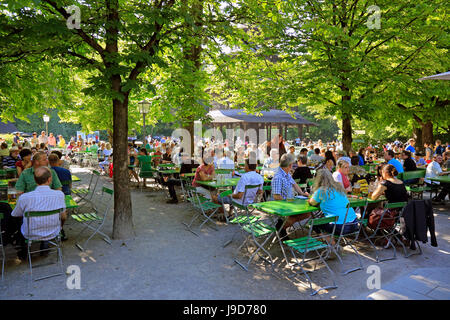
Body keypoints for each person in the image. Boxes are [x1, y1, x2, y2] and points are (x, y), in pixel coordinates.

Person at [12, 166, 67, 260]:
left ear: (35, 180)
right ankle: (45, 245)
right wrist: (61, 227)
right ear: (50, 179)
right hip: (53, 232)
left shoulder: (25, 197)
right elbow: (63, 217)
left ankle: (24, 249)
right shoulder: (59, 195)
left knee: (20, 221)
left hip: (30, 233)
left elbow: (15, 214)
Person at [308, 169, 358, 236]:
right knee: (323, 221)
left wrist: (310, 198)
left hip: (340, 227)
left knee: (314, 223)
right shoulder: (339, 187)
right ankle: (331, 242)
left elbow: (312, 203)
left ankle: (331, 243)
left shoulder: (321, 190)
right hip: (354, 224)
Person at [272, 154, 310, 239]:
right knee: (304, 212)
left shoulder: (286, 173)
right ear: (290, 165)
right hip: (281, 205)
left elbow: (294, 183)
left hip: (290, 202)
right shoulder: (278, 176)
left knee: (307, 213)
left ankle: (283, 225)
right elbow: (276, 196)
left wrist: (302, 193)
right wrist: (289, 205)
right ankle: (281, 227)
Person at [216, 152, 263, 216]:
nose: (244, 167)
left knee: (218, 197)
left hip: (240, 202)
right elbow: (260, 191)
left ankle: (224, 215)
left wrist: (230, 195)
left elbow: (239, 196)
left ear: (247, 166)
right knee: (232, 192)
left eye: (245, 165)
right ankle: (230, 212)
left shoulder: (244, 177)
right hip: (251, 201)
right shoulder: (260, 177)